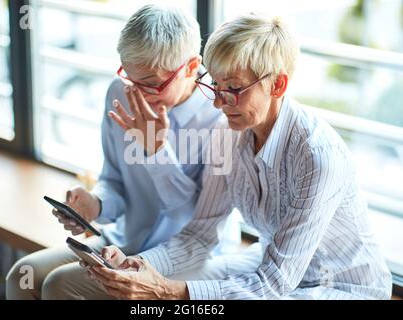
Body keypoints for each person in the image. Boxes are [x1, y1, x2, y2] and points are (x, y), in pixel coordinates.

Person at [87, 12, 393, 300]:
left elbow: (274, 282)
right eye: (216, 86)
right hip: (269, 265)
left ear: (278, 84)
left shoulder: (318, 157)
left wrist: (169, 290)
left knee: (188, 295)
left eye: (232, 88)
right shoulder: (226, 133)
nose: (219, 103)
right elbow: (199, 235)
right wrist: (136, 264)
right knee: (184, 283)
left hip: (339, 285)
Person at [5, 4, 233, 300]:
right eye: (129, 77)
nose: (137, 93)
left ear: (191, 67)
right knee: (22, 277)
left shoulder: (221, 118)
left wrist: (157, 152)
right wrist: (94, 205)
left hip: (188, 255)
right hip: (126, 240)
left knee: (59, 286)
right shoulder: (119, 93)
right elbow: (113, 178)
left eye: (152, 84)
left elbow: (193, 225)